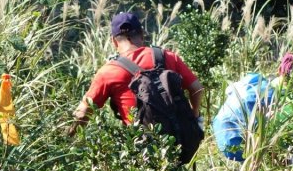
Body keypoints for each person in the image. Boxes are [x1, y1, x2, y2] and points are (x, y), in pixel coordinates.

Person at [71, 11, 205, 160]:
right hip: (181, 141)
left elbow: (82, 113)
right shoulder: (167, 56)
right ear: (141, 35)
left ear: (114, 41)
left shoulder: (108, 72)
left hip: (142, 152)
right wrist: (194, 116)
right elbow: (197, 89)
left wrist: (69, 140)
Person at [212, 51, 293, 162]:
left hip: (220, 134)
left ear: (279, 70)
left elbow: (229, 91)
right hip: (242, 147)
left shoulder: (255, 80)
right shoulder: (286, 101)